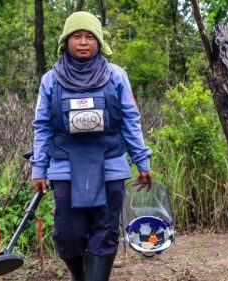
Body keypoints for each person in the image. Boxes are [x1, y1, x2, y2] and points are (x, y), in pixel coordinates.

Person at [30, 11, 153, 281]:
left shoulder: (116, 75)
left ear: (99, 41)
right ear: (66, 41)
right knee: (67, 235)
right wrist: (39, 169)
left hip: (110, 165)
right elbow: (43, 125)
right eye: (77, 36)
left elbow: (131, 120)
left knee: (105, 231)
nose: (83, 42)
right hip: (64, 167)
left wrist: (142, 162)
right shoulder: (50, 80)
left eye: (89, 37)